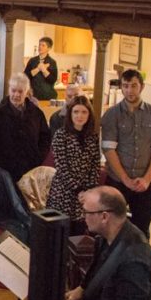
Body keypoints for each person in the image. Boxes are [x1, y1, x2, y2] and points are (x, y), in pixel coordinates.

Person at [100, 69, 151, 237]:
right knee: (113, 227)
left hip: (145, 183)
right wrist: (125, 180)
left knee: (142, 228)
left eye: (134, 86)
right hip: (117, 181)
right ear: (121, 88)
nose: (130, 90)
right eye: (126, 86)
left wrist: (146, 179)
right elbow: (109, 149)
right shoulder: (112, 115)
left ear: (142, 87)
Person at [47, 96, 102, 234]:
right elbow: (62, 167)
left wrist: (89, 190)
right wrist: (78, 190)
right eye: (76, 112)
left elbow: (95, 165)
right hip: (63, 192)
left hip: (84, 194)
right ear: (70, 113)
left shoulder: (93, 137)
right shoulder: (61, 135)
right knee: (61, 236)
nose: (80, 116)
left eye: (84, 112)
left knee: (79, 236)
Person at [0, 73, 51, 181]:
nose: (16, 94)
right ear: (9, 90)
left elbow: (45, 138)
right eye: (13, 90)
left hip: (31, 168)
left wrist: (39, 157)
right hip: (6, 169)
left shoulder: (36, 113)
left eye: (20, 91)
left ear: (26, 92)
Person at [24, 36, 59, 101]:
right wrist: (38, 69)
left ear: (49, 48)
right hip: (33, 96)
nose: (40, 47)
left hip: (48, 96)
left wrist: (44, 70)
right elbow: (25, 76)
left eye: (43, 45)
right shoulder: (32, 61)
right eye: (39, 45)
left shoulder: (52, 62)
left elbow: (53, 80)